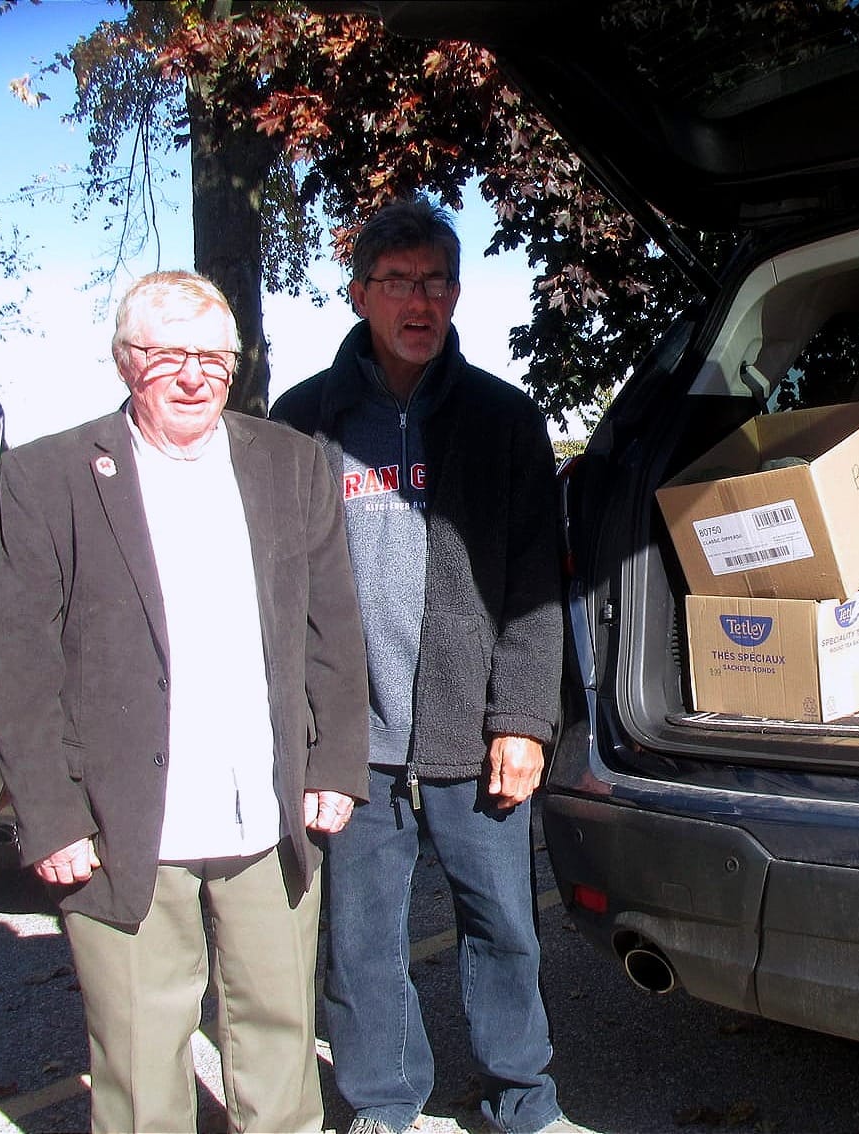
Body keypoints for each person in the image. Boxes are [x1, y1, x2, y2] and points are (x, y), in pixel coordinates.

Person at [0, 270, 370, 1134]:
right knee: (138, 1054)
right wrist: (47, 815)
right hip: (122, 821)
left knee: (277, 1034)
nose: (193, 376)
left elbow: (332, 631)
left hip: (267, 809)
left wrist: (337, 763)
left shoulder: (288, 462)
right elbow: (19, 661)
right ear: (127, 362)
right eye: (168, 356)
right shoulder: (46, 478)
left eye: (213, 358)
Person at [270, 198, 577, 1134]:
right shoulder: (302, 422)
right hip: (352, 738)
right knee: (361, 943)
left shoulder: (503, 418)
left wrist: (524, 719)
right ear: (359, 293)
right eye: (397, 281)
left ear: (455, 293)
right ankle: (382, 1101)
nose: (419, 300)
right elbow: (278, 584)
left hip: (472, 729)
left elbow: (536, 578)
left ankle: (523, 1097)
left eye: (436, 281)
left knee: (504, 931)